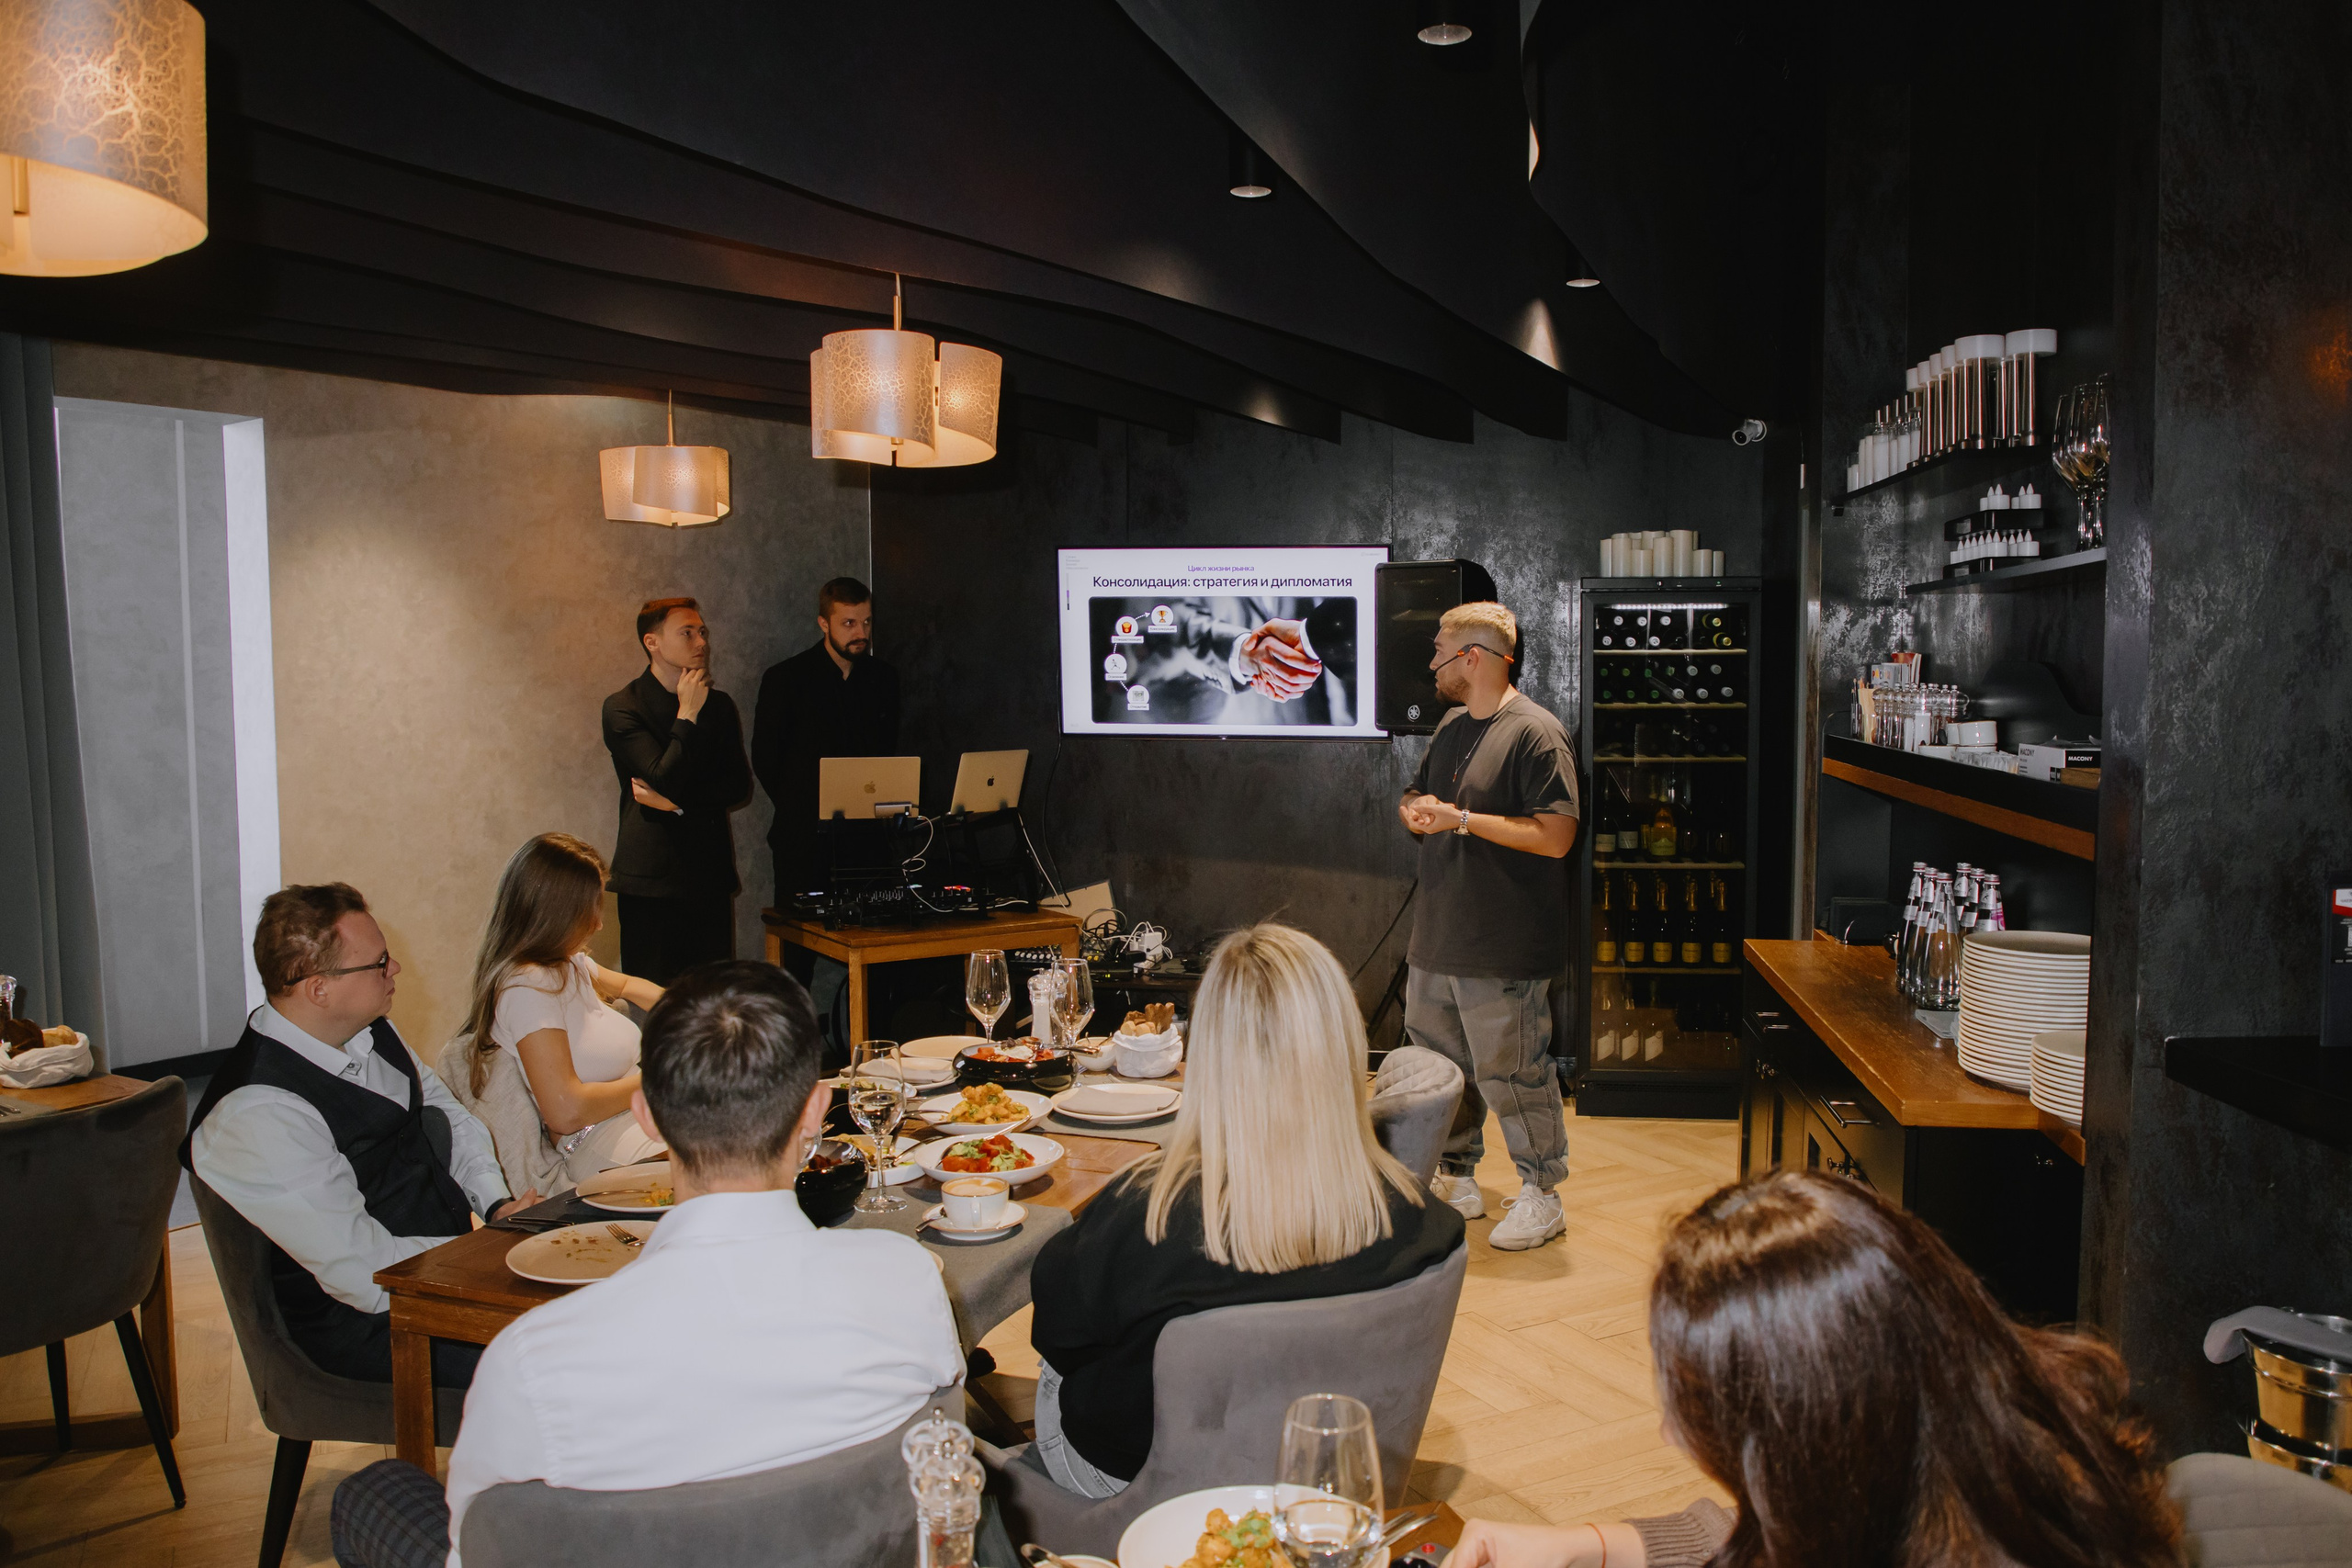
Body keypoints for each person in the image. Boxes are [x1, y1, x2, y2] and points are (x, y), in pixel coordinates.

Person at [330, 960, 964, 1568]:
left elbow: (482, 1549)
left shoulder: (533, 1361)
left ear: (647, 1113)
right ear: (814, 1112)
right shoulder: (909, 1281)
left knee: (373, 1493)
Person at [1447, 1168, 2186, 1568]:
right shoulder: (1977, 1471)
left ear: (1816, 1435)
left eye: (1700, 1408)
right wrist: (1591, 1546)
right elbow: (1774, 1529)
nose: (1673, 1433)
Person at [1024, 923, 1464, 1496]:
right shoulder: (1428, 1224)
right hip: (1332, 1475)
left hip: (1144, 1491)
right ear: (1344, 1044)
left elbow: (1059, 1332)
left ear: (1208, 1052)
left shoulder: (1147, 1213)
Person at [187, 884, 534, 1387]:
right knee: (572, 1350)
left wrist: (497, 1207)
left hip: (442, 1274)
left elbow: (444, 1115)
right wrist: (487, 1258)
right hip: (365, 1322)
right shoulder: (257, 1110)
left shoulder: (370, 1031)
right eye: (380, 962)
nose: (395, 970)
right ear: (318, 988)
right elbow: (362, 1274)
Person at [1396, 601, 1579, 1251]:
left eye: (1440, 652)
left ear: (1472, 657)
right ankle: (1458, 1175)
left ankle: (1541, 1192)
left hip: (1504, 948)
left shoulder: (1536, 733)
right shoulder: (1450, 726)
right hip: (1439, 938)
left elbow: (1556, 835)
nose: (1432, 664)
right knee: (1440, 1068)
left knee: (1512, 1072)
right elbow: (1418, 797)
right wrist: (1417, 811)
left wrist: (1465, 820)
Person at [452, 833, 668, 1186]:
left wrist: (691, 1012)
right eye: (589, 910)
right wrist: (662, 1081)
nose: (598, 923)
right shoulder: (527, 987)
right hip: (596, 1137)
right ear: (555, 913)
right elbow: (565, 1112)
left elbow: (631, 987)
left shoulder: (571, 964)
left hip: (638, 1115)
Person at [602, 595, 752, 984]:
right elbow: (662, 775)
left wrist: (676, 803)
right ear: (652, 642)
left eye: (702, 631)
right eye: (687, 633)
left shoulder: (719, 706)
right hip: (649, 882)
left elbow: (737, 786)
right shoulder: (622, 706)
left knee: (712, 1002)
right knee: (656, 1006)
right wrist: (687, 713)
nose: (701, 642)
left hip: (708, 876)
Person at [751, 576, 902, 908]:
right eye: (848, 623)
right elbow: (765, 759)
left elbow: (888, 751)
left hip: (868, 840)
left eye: (866, 622)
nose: (860, 633)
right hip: (804, 840)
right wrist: (803, 808)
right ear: (823, 623)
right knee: (797, 950)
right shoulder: (785, 679)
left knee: (877, 939)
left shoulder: (884, 679)